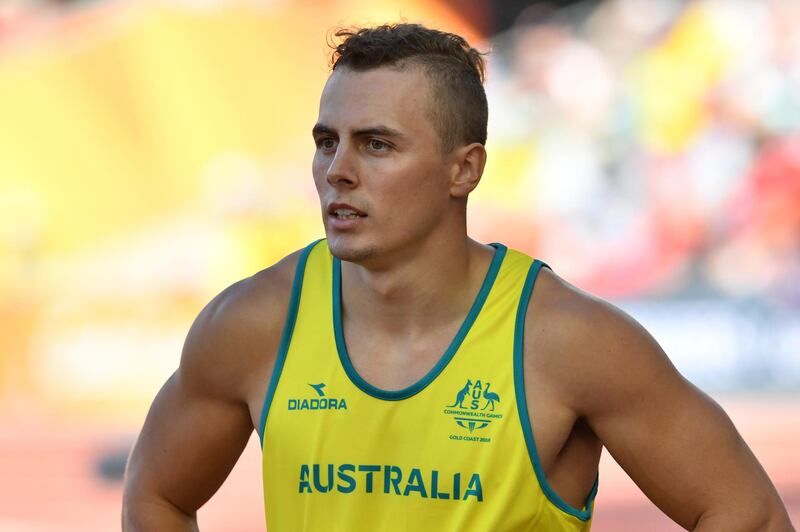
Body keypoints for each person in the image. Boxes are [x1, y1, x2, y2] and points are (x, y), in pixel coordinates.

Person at [122, 23, 793, 531]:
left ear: (464, 169)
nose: (338, 172)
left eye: (377, 144)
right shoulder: (254, 323)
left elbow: (748, 515)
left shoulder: (567, 342)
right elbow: (158, 493)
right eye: (328, 142)